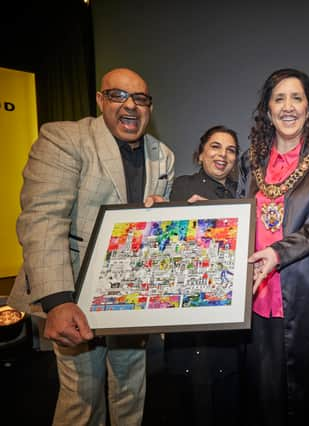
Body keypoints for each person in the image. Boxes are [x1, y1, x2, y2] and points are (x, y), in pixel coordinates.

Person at [8, 68, 175, 425]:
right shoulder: (64, 139)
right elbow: (43, 220)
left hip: (130, 299)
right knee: (82, 399)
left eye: (141, 99)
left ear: (150, 107)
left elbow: (156, 230)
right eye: (118, 95)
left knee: (131, 391)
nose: (130, 105)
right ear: (101, 100)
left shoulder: (164, 156)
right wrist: (58, 300)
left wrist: (163, 218)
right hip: (74, 296)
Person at [238, 68, 309, 425]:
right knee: (264, 398)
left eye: (297, 98)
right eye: (279, 98)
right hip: (258, 299)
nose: (288, 107)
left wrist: (277, 253)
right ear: (268, 110)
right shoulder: (251, 160)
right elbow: (237, 216)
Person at [162, 125, 246, 425]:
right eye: (215, 146)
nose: (223, 155)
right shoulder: (182, 188)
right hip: (191, 309)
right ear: (200, 154)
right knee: (193, 391)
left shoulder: (242, 193)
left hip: (230, 304)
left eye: (231, 150)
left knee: (229, 387)